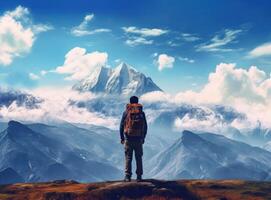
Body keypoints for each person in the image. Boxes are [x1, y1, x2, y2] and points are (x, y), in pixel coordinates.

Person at [120, 96, 148, 182]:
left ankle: (128, 176)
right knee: (138, 158)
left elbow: (121, 125)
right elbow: (145, 126)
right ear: (137, 102)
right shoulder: (141, 113)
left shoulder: (126, 112)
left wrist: (122, 138)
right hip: (138, 139)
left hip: (128, 139)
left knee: (128, 157)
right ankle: (139, 176)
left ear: (130, 102)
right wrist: (143, 137)